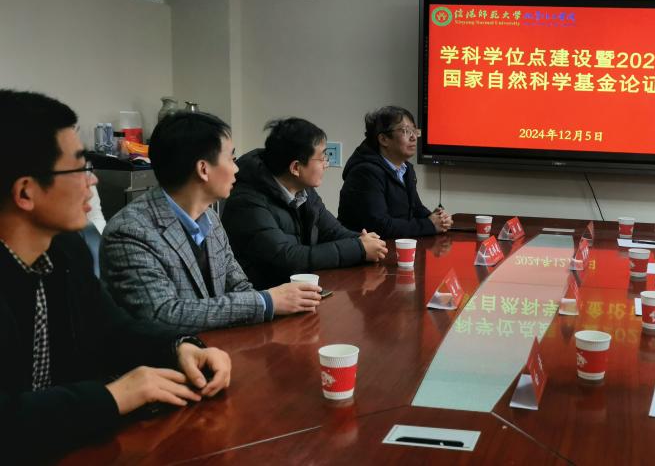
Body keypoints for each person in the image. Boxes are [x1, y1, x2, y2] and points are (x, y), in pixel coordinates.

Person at [0, 90, 232, 461]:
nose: (92, 181)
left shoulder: (65, 250)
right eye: (80, 168)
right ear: (25, 192)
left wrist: (179, 348)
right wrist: (114, 396)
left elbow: (112, 329)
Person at [101, 112, 322, 331]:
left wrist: (278, 303)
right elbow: (163, 315)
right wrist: (266, 301)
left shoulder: (210, 218)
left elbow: (239, 286)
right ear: (203, 169)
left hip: (219, 344)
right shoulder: (130, 231)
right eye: (231, 159)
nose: (237, 168)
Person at [222, 118, 387, 288]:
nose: (326, 164)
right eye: (322, 158)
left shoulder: (303, 190)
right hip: (265, 296)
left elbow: (332, 231)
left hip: (298, 291)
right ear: (295, 168)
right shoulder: (247, 201)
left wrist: (363, 240)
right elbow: (287, 257)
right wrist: (359, 249)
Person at [337, 106, 452, 239]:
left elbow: (415, 208)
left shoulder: (406, 168)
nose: (414, 137)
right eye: (406, 131)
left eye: (414, 130)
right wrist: (429, 224)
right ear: (383, 139)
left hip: (393, 244)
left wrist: (436, 218)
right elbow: (380, 226)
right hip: (363, 248)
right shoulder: (365, 173)